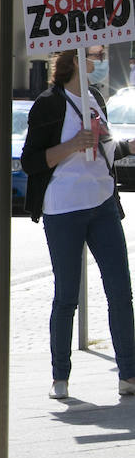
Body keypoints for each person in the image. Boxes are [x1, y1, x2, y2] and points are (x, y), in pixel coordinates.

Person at [21, 47, 135, 401]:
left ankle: (129, 374)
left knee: (120, 291)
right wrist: (71, 145)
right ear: (75, 60)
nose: (99, 60)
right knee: (66, 295)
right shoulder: (49, 103)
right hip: (64, 207)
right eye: (95, 54)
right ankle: (60, 376)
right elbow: (30, 161)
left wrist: (128, 146)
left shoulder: (95, 97)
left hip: (102, 203)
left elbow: (104, 148)